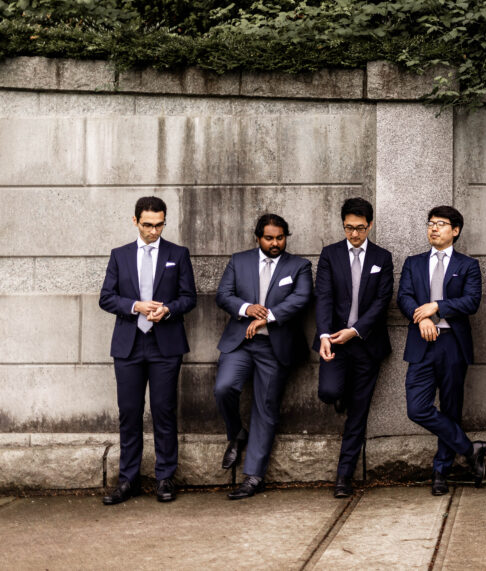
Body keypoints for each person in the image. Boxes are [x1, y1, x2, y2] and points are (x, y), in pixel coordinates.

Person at [99, 196, 196, 504]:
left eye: (159, 224)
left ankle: (165, 478)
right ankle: (128, 480)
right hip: (128, 345)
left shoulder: (177, 254)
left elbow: (189, 298)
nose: (154, 231)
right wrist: (134, 305)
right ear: (135, 222)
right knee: (129, 413)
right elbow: (106, 298)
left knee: (164, 412)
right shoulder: (120, 255)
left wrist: (167, 310)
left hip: (165, 344)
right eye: (148, 225)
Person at [213, 214, 312, 499]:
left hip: (274, 347)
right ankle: (236, 432)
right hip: (240, 343)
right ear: (257, 237)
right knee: (223, 389)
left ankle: (253, 476)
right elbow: (223, 295)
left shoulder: (299, 266)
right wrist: (246, 309)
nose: (275, 243)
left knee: (265, 408)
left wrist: (267, 316)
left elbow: (301, 298)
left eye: (280, 238)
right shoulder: (239, 260)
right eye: (269, 238)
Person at [397, 206, 486, 495]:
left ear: (455, 230)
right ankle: (469, 448)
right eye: (431, 223)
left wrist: (437, 306)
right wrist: (421, 317)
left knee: (451, 408)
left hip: (452, 344)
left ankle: (441, 472)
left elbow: (472, 301)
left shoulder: (468, 265)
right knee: (417, 408)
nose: (434, 228)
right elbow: (404, 297)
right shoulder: (413, 263)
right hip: (422, 343)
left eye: (441, 224)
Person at [315, 198, 394, 498]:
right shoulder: (330, 254)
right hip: (333, 339)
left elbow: (381, 302)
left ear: (370, 225)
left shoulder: (382, 258)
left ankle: (343, 477)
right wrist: (324, 335)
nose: (355, 234)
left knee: (359, 414)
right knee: (329, 392)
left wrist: (357, 330)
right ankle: (340, 395)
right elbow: (322, 295)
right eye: (349, 228)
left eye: (360, 228)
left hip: (366, 344)